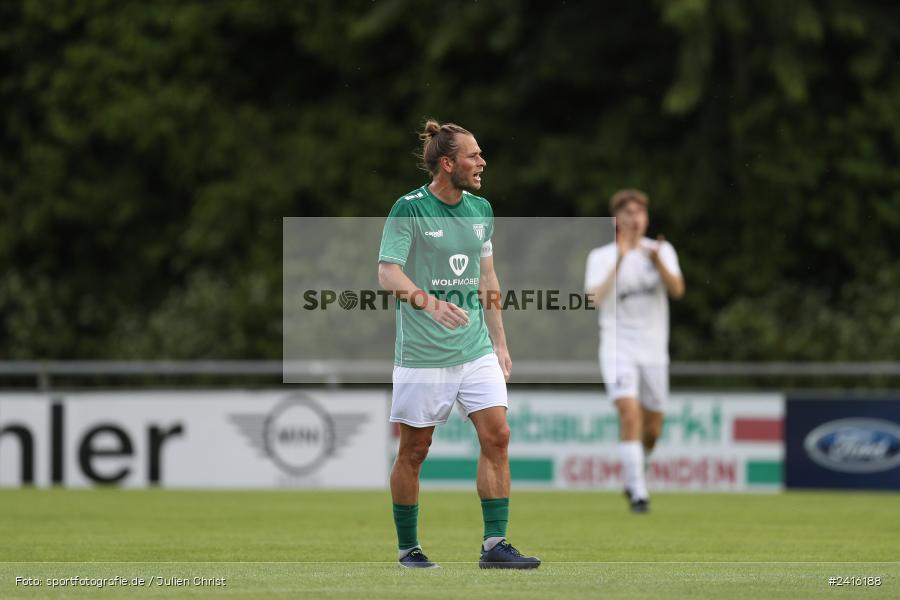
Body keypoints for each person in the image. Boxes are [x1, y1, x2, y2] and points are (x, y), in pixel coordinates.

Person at [377, 119, 540, 569]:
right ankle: (408, 548)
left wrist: (500, 343)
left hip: (475, 349)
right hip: (424, 354)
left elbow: (488, 278)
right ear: (447, 163)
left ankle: (495, 546)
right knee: (415, 450)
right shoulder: (408, 208)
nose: (482, 162)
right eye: (473, 155)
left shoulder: (481, 209)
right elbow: (388, 273)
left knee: (498, 436)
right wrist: (431, 304)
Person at [584, 189, 685, 513]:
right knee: (630, 413)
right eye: (627, 213)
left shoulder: (661, 250)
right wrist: (621, 258)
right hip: (617, 345)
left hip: (654, 349)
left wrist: (657, 262)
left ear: (646, 218)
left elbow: (678, 290)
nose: (634, 219)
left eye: (639, 213)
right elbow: (592, 299)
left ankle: (635, 474)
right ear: (618, 220)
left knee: (653, 428)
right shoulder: (601, 256)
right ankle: (639, 494)